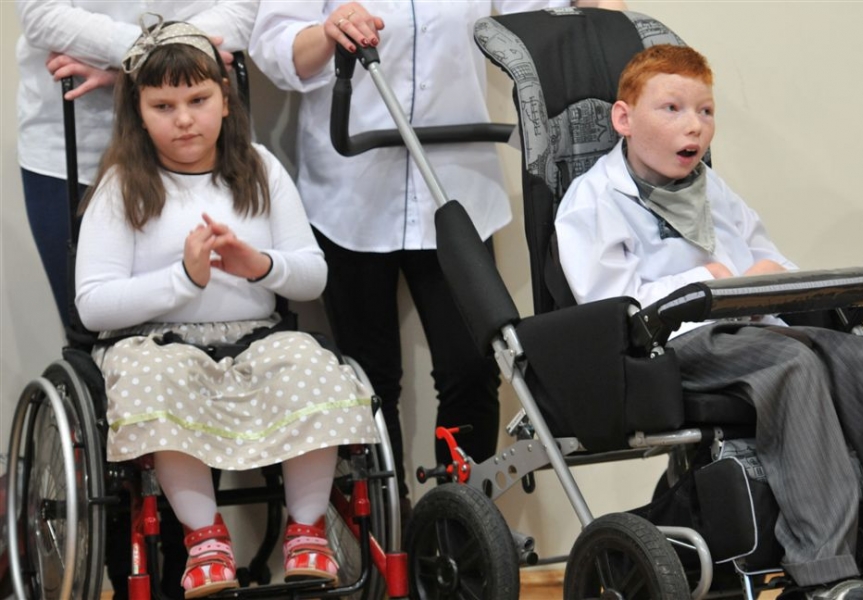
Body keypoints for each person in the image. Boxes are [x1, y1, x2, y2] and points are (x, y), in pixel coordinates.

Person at [554, 44, 863, 600]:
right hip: (672, 345)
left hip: (754, 326)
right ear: (624, 118)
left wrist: (767, 274)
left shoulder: (712, 191)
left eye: (705, 111)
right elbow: (609, 306)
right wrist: (705, 283)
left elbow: (769, 261)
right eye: (672, 109)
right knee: (790, 363)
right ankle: (827, 572)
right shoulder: (592, 201)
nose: (694, 124)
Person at [249, 0, 623, 520]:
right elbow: (273, 47)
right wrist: (328, 33)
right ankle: (388, 530)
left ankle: (460, 529)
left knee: (472, 367)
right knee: (369, 378)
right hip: (350, 196)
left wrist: (601, 16)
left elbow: (542, 16)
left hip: (457, 186)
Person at [75, 16, 379, 598]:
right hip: (152, 341)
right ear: (139, 110)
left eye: (198, 100)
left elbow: (312, 276)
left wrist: (258, 265)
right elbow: (93, 305)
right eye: (164, 106)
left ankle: (307, 531)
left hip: (255, 335)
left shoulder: (261, 168)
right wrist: (183, 279)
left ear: (224, 98)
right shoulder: (121, 186)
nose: (184, 119)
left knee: (314, 367)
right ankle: (205, 539)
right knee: (155, 379)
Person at [15, 0, 258, 330]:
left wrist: (137, 68)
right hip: (70, 147)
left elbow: (244, 8)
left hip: (205, 146)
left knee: (223, 315)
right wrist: (147, 57)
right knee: (88, 332)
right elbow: (41, 14)